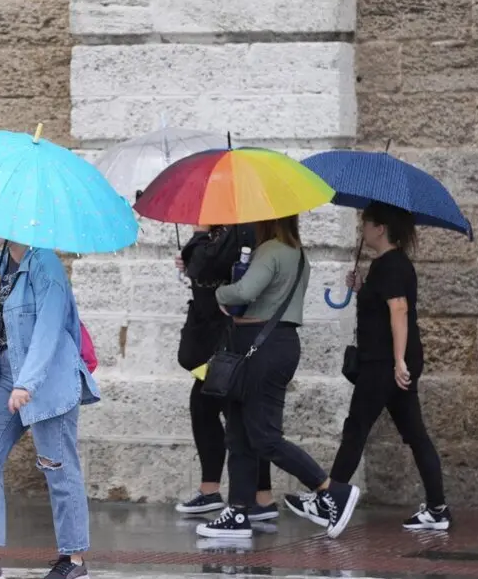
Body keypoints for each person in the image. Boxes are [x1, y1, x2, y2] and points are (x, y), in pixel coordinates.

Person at [0, 242, 99, 579]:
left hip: (48, 379)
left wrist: (28, 382)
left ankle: (74, 561)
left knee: (57, 468)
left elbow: (49, 329)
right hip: (4, 376)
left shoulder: (46, 264)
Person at [284, 202, 449, 531]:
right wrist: (362, 288)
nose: (363, 230)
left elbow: (399, 310)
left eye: (366, 224)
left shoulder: (389, 266)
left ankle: (330, 498)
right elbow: (386, 304)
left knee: (356, 428)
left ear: (380, 229)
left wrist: (399, 360)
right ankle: (437, 508)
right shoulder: (391, 265)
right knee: (415, 435)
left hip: (383, 364)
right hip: (390, 363)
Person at [197, 216, 361, 541]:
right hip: (274, 345)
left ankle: (331, 491)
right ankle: (238, 511)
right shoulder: (299, 253)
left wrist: (220, 292)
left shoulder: (271, 250)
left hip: (262, 346)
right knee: (240, 433)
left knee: (264, 437)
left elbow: (245, 290)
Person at [174, 225, 277, 522]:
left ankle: (259, 497)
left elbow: (206, 264)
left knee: (237, 415)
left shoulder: (240, 230)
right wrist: (192, 252)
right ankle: (239, 494)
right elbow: (202, 266)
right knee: (209, 409)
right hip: (213, 339)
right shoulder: (222, 234)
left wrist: (196, 240)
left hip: (227, 338)